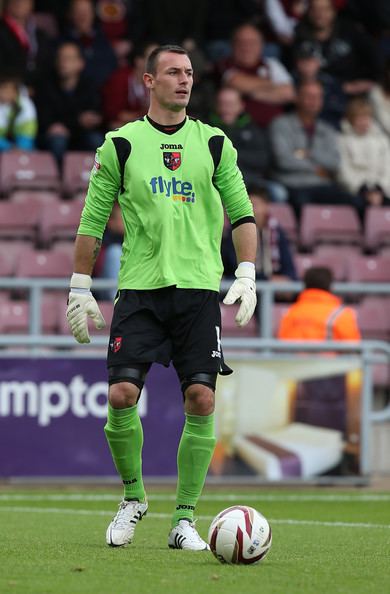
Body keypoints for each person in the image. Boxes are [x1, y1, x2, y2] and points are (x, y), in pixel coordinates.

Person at [66, 45, 257, 550]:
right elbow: (91, 221)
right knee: (121, 394)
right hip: (141, 289)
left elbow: (242, 213)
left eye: (189, 73)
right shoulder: (122, 144)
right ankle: (134, 498)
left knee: (201, 397)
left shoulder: (215, 143)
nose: (184, 80)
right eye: (173, 72)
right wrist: (80, 284)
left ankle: (185, 520)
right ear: (148, 80)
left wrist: (248, 271)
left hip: (198, 291)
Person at [269, 79, 364, 217]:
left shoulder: (327, 129)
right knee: (302, 204)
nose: (314, 101)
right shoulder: (280, 124)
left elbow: (334, 162)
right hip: (293, 185)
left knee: (356, 203)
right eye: (309, 96)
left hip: (323, 185)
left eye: (318, 96)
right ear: (297, 97)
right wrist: (317, 168)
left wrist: (307, 154)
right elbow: (283, 160)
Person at [209, 86, 287, 201]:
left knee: (279, 193)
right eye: (222, 104)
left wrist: (230, 155)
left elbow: (263, 160)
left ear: (241, 106)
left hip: (250, 182)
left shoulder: (253, 129)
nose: (226, 109)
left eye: (230, 104)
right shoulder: (207, 128)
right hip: (215, 181)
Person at [35, 41, 104, 166]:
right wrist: (77, 121)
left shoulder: (89, 86)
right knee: (58, 140)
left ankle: (98, 181)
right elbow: (45, 120)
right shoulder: (46, 85)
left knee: (97, 140)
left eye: (68, 58)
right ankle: (58, 182)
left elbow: (94, 117)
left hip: (80, 134)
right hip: (54, 137)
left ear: (80, 64)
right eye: (60, 58)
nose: (63, 62)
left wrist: (72, 123)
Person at [215, 23, 295, 128]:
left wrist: (250, 92)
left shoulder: (271, 64)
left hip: (275, 128)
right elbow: (236, 82)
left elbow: (289, 93)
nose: (247, 47)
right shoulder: (225, 64)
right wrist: (271, 85)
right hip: (239, 129)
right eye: (242, 42)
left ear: (261, 45)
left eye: (252, 43)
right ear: (233, 45)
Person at [222, 184, 297, 280]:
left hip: (273, 292)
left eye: (253, 204)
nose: (249, 210)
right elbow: (232, 271)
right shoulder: (233, 233)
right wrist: (267, 280)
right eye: (245, 205)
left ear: (266, 206)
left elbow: (290, 272)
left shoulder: (277, 233)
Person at [278, 266, 361, 340]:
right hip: (330, 357)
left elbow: (282, 343)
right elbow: (353, 347)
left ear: (305, 285)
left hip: (296, 357)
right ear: (330, 286)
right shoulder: (342, 315)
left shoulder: (290, 313)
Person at [338, 97, 390, 207]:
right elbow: (343, 171)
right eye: (359, 118)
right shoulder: (342, 140)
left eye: (366, 117)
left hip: (382, 191)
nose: (363, 122)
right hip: (355, 192)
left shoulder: (382, 140)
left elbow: (387, 169)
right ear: (351, 120)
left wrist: (379, 188)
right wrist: (363, 189)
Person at [0, 73, 37, 151]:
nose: (2, 93)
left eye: (7, 90)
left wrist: (22, 147)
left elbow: (28, 132)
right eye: (2, 89)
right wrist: (9, 147)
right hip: (6, 145)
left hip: (23, 144)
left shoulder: (25, 105)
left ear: (15, 92)